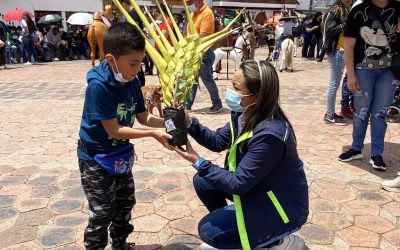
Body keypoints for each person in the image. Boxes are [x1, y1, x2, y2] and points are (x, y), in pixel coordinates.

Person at [174, 60, 309, 250]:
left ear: (257, 95)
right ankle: (242, 229)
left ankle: (276, 240)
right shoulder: (244, 114)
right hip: (259, 190)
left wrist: (198, 161)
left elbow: (238, 184)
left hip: (281, 208)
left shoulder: (270, 135)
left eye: (236, 88)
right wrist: (189, 123)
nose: (230, 92)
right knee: (202, 181)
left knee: (208, 230)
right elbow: (217, 141)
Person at [77, 22, 173, 250]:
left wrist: (174, 122)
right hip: (96, 157)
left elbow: (144, 117)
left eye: (141, 61)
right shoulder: (99, 87)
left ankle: (120, 244)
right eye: (133, 63)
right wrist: (152, 134)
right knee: (102, 211)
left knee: (125, 203)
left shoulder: (131, 81)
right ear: (111, 60)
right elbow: (114, 130)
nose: (139, 68)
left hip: (120, 154)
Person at [338, 0, 400, 170]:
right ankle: (356, 148)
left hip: (389, 72)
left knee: (380, 113)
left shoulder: (397, 8)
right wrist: (350, 75)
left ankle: (377, 154)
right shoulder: (358, 10)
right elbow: (349, 47)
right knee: (362, 111)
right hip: (363, 70)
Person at [185, 0, 223, 114]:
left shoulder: (207, 13)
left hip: (204, 52)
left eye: (190, 2)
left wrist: (187, 42)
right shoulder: (194, 13)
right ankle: (187, 104)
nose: (189, 5)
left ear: (198, 0)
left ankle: (217, 104)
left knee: (207, 79)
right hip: (193, 52)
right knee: (192, 80)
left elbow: (204, 34)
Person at [322, 0, 352, 125]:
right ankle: (330, 115)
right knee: (334, 84)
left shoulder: (345, 9)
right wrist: (345, 25)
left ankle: (330, 113)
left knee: (335, 84)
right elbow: (329, 31)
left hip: (342, 50)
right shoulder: (335, 11)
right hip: (337, 51)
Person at [121, 0, 146, 86]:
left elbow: (135, 27)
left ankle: (141, 84)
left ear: (124, 4)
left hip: (134, 42)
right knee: (137, 63)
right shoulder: (135, 11)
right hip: (136, 41)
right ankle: (141, 83)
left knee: (135, 63)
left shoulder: (133, 13)